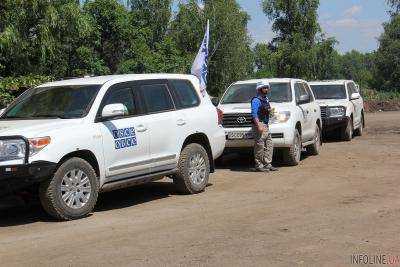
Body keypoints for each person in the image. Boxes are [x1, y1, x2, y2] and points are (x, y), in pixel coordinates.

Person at [251, 82, 278, 172]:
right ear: (259, 89)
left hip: (266, 125)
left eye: (267, 88)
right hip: (260, 124)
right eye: (264, 88)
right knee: (260, 145)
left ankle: (267, 164)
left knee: (270, 144)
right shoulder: (256, 100)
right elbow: (254, 114)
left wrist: (271, 112)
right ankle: (259, 165)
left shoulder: (266, 99)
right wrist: (259, 125)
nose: (266, 89)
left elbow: (267, 110)